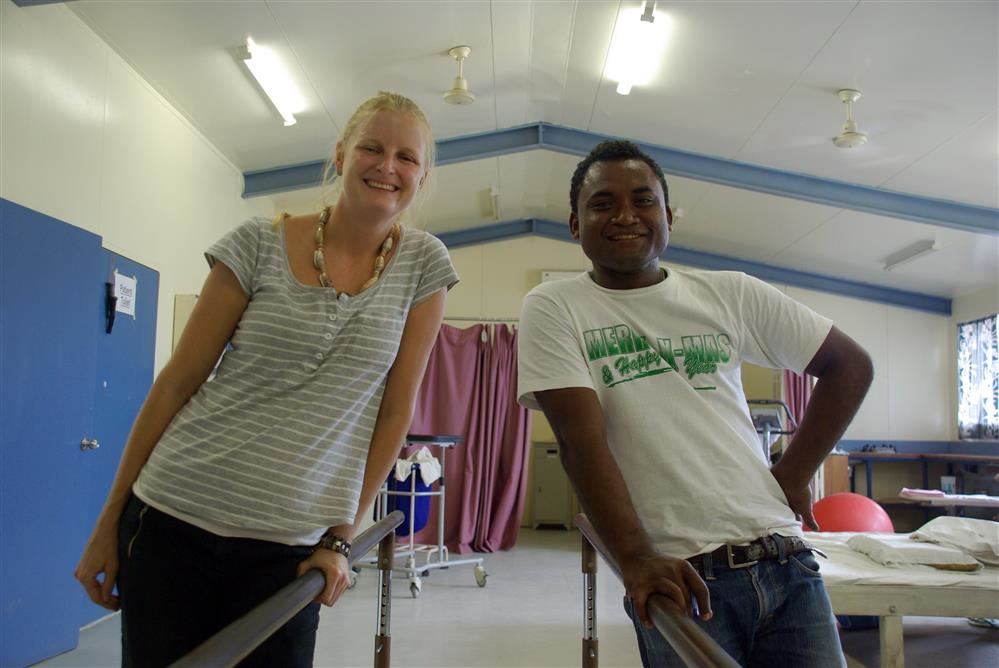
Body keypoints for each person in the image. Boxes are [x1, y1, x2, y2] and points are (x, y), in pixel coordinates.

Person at [75, 91, 458, 667]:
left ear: (423, 175)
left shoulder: (425, 266)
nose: (387, 166)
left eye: (407, 157)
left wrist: (340, 538)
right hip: (175, 515)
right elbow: (177, 383)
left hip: (290, 548)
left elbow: (394, 411)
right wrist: (107, 521)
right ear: (341, 154)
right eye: (372, 148)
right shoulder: (257, 243)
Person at [517, 140, 873, 667]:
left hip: (785, 558)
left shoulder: (730, 293)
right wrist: (636, 558)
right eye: (602, 203)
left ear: (668, 217)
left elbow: (851, 366)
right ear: (574, 224)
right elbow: (580, 442)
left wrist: (794, 473)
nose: (625, 216)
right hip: (683, 577)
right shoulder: (556, 306)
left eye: (643, 201)